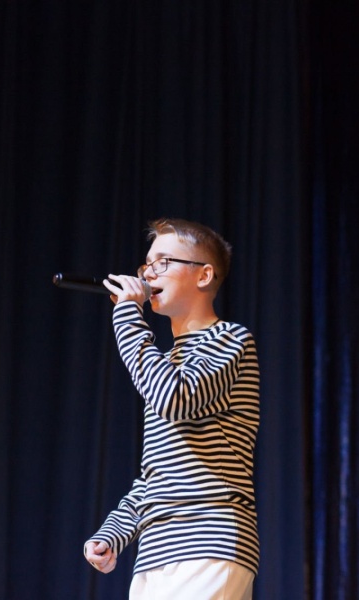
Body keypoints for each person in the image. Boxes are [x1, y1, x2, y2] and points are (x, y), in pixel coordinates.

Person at [83, 218, 260, 600]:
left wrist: (127, 314)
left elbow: (175, 399)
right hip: (156, 554)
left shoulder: (229, 339)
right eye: (146, 264)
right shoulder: (162, 366)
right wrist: (113, 532)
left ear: (204, 275)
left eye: (163, 262)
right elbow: (157, 476)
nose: (148, 273)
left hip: (208, 541)